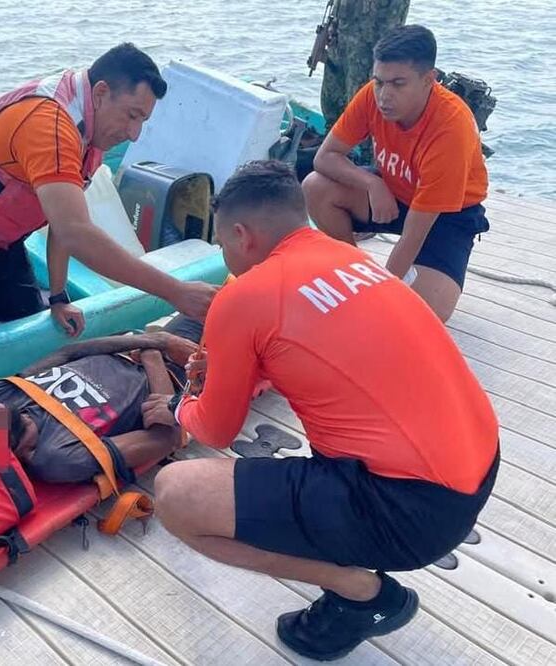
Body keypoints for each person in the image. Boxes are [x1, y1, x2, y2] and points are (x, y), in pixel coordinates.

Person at [143, 161, 499, 661]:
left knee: (176, 496)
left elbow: (217, 426)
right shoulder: (347, 259)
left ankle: (361, 592)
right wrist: (247, 367)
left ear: (242, 235)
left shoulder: (243, 296)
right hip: (477, 467)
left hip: (410, 511)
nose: (226, 256)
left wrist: (181, 408)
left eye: (223, 245)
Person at [0, 43, 217, 349]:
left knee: (25, 328)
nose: (133, 134)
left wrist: (58, 296)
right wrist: (176, 291)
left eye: (142, 122)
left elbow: (62, 220)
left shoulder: (91, 128)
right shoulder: (49, 126)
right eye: (131, 115)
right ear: (101, 92)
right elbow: (75, 232)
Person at [303, 25, 489, 322]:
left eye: (398, 84)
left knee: (419, 317)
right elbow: (325, 158)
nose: (384, 96)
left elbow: (415, 232)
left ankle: (376, 289)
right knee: (315, 187)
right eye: (379, 82)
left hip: (446, 217)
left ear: (430, 79)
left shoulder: (451, 128)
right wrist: (372, 183)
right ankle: (353, 269)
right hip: (392, 190)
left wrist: (380, 295)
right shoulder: (372, 96)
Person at [0, 315, 204, 498]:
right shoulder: (59, 458)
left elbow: (67, 353)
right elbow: (166, 437)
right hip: (185, 376)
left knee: (223, 295)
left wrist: (156, 340)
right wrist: (153, 356)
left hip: (150, 344)